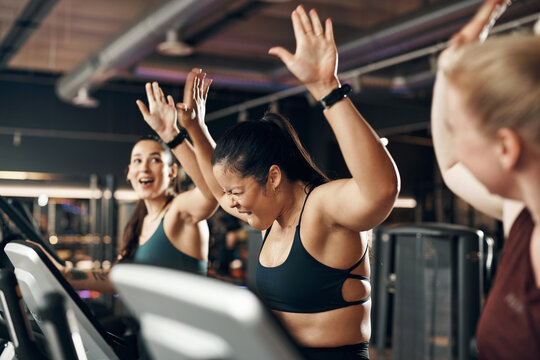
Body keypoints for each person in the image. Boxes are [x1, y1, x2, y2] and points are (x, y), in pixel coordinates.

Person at [176, 6, 400, 359]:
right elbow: (220, 192)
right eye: (231, 193)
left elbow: (381, 191)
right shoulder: (270, 219)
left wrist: (328, 89)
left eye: (238, 191)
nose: (230, 202)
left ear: (274, 177)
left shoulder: (322, 208)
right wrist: (194, 130)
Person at [431, 0, 540, 358]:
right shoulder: (522, 211)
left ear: (506, 147)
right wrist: (448, 71)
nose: (456, 140)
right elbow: (450, 165)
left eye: (460, 129)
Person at [48, 71, 217, 294]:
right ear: (129, 173)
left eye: (155, 160)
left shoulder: (179, 211)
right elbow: (118, 280)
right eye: (137, 160)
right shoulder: (140, 222)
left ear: (172, 172)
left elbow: (213, 193)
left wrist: (171, 134)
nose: (144, 168)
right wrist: (66, 274)